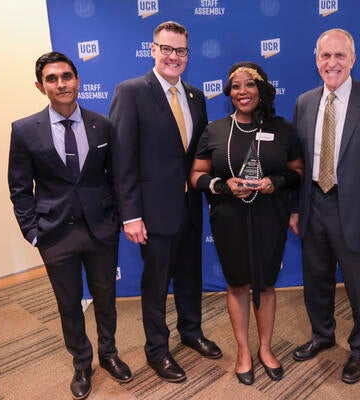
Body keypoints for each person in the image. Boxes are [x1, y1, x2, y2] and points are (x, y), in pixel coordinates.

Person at [8, 51, 132, 400]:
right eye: (52, 78)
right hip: (54, 233)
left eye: (66, 76)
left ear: (77, 80)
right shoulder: (23, 130)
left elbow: (116, 178)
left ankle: (109, 354)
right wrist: (33, 233)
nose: (61, 84)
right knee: (69, 303)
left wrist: (118, 220)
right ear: (40, 86)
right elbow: (19, 187)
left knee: (106, 297)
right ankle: (82, 362)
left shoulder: (102, 124)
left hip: (101, 229)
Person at [109, 21, 221, 383]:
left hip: (190, 209)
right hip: (152, 213)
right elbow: (122, 159)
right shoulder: (131, 92)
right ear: (153, 49)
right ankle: (157, 350)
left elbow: (197, 155)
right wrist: (131, 215)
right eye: (167, 49)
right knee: (156, 285)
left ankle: (191, 332)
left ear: (188, 55)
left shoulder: (195, 96)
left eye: (181, 51)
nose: (174, 57)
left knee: (190, 276)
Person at [289, 28, 360, 384]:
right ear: (316, 60)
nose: (332, 63)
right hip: (313, 205)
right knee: (316, 280)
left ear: (353, 59)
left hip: (356, 211)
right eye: (325, 56)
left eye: (340, 56)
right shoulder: (305, 101)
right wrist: (295, 208)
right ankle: (322, 336)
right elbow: (298, 164)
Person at [190, 62, 303, 385]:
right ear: (229, 92)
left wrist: (276, 182)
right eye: (236, 86)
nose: (243, 92)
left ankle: (266, 349)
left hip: (270, 215)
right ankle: (243, 351)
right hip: (229, 217)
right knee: (238, 283)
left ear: (262, 89)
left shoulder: (282, 128)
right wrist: (222, 186)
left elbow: (298, 170)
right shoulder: (215, 130)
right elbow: (196, 175)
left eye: (249, 85)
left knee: (266, 284)